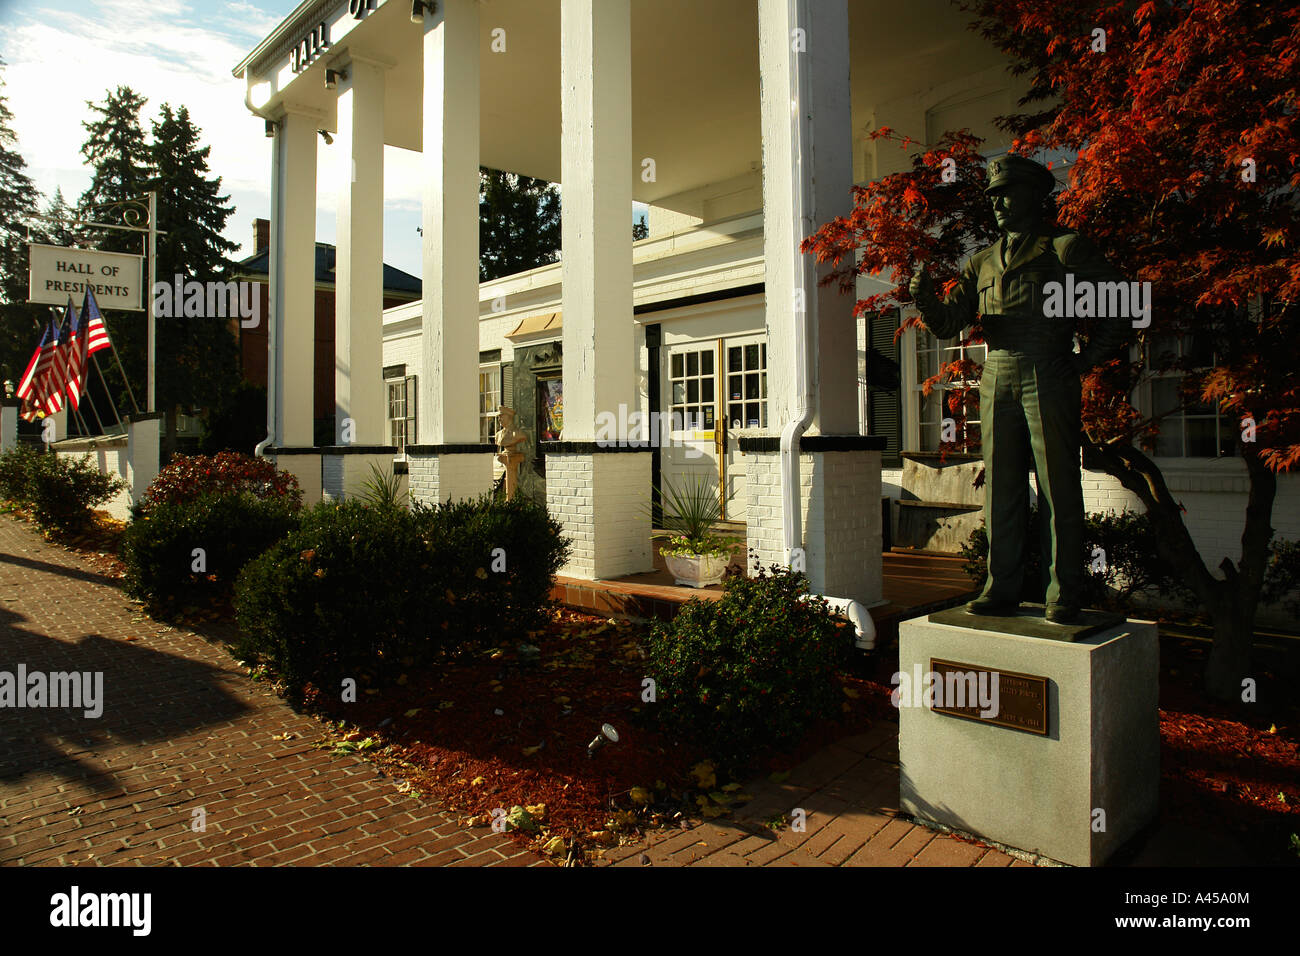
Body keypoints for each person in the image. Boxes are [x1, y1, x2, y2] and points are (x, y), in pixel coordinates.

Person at [908, 154, 1129, 623]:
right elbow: (950, 323)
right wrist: (926, 298)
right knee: (1001, 488)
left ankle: (1064, 591)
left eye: (1008, 193)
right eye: (993, 197)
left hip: (1048, 370)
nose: (999, 204)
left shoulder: (1064, 249)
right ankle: (1000, 587)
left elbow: (1121, 307)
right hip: (997, 375)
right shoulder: (982, 262)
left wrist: (1082, 362)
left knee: (1058, 486)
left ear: (1034, 195)